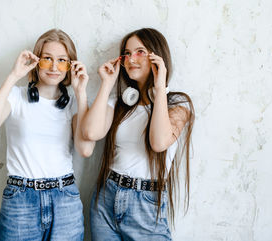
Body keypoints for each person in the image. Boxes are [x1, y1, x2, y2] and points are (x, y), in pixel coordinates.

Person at [0, 29, 94, 241]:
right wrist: (14, 76)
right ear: (37, 61)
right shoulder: (16, 96)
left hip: (64, 199)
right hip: (21, 200)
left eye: (62, 60)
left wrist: (81, 92)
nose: (55, 67)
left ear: (70, 66)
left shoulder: (75, 103)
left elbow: (85, 149)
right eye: (47, 59)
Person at [82, 28, 195, 240]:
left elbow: (159, 142)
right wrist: (106, 84)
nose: (131, 59)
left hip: (146, 205)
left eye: (140, 52)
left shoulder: (178, 104)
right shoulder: (121, 103)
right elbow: (90, 132)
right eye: (127, 53)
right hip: (106, 200)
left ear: (157, 56)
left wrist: (160, 87)